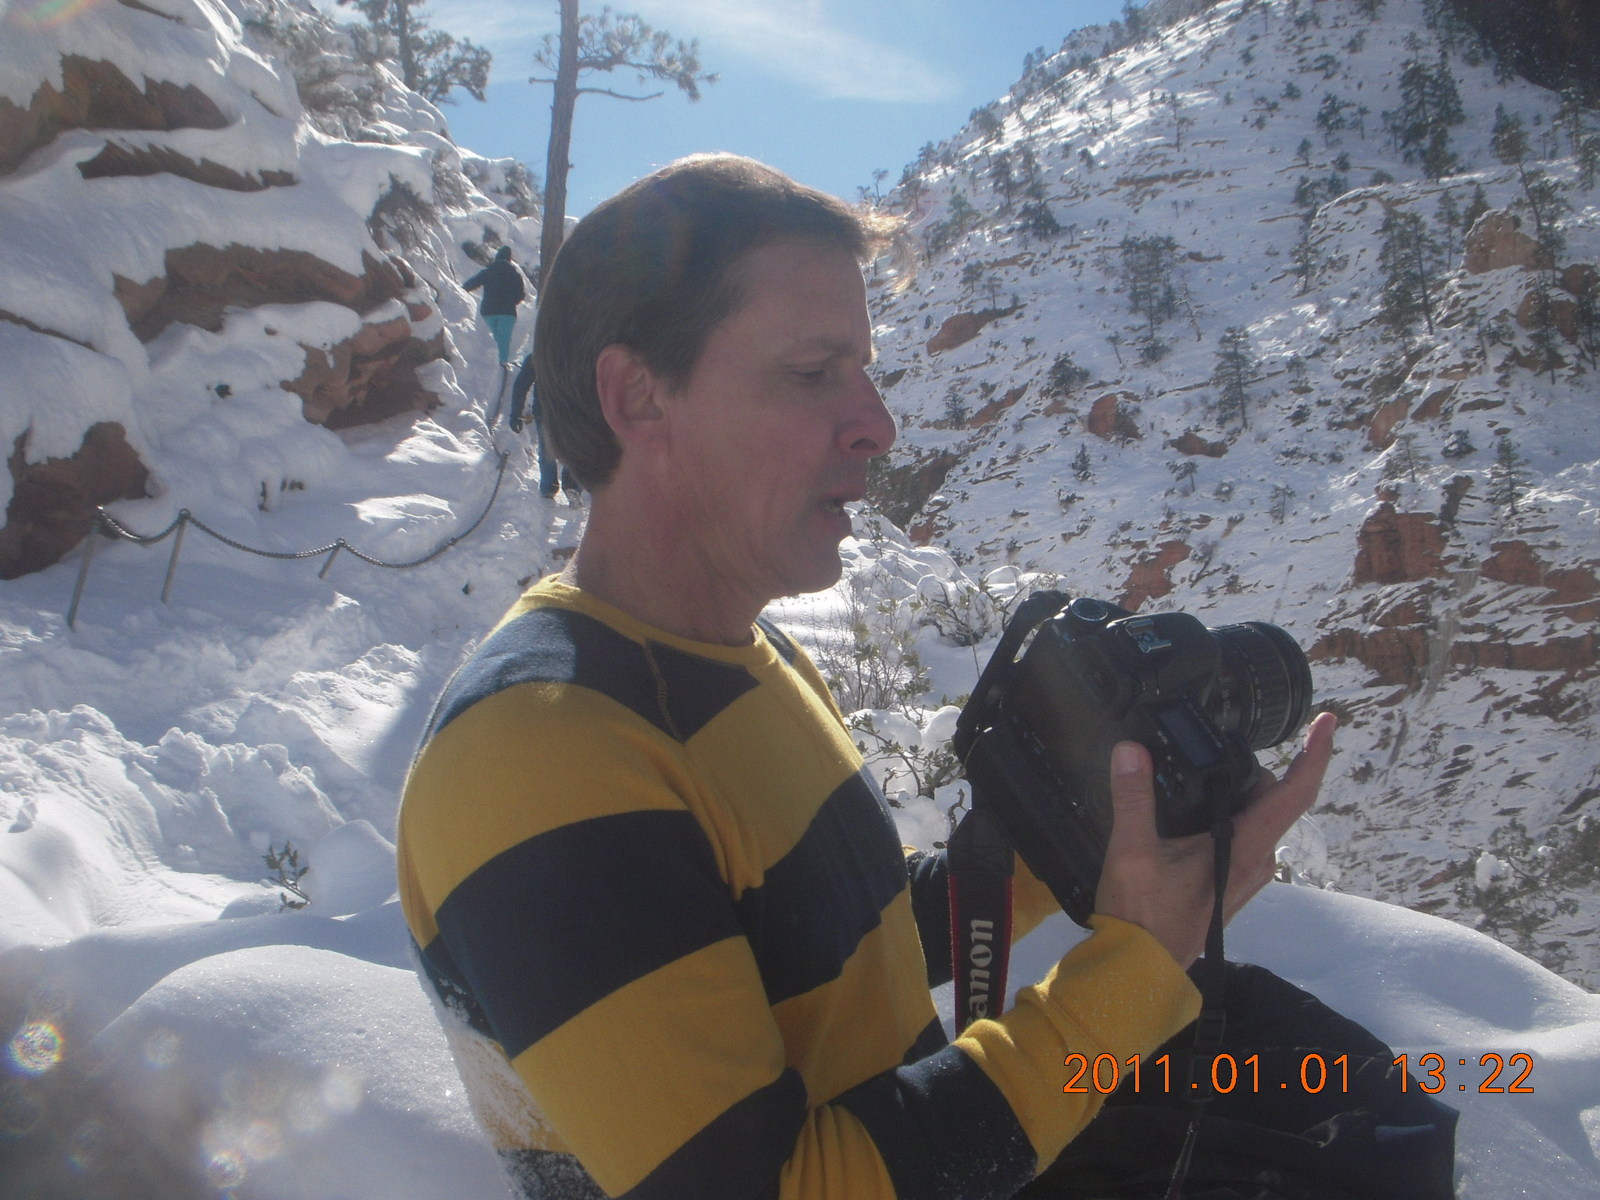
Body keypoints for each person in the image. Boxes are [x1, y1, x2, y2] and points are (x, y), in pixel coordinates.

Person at [396, 154, 1337, 1200]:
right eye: (813, 373)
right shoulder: (539, 752)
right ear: (638, 396)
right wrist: (1139, 968)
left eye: (865, 370)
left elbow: (839, 946)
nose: (878, 424)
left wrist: (1062, 838)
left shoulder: (741, 655)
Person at [509, 353, 579, 498]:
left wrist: (515, 414)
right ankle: (569, 487)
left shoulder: (539, 354)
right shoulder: (574, 353)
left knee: (549, 450)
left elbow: (521, 385)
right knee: (571, 450)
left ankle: (551, 487)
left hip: (551, 411)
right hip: (566, 412)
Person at [463, 244, 527, 365]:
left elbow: (473, 283)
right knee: (503, 341)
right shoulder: (515, 275)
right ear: (509, 259)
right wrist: (511, 301)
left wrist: (461, 289)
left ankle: (488, 364)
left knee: (493, 340)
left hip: (488, 311)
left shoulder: (489, 271)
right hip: (507, 312)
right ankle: (502, 365)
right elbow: (520, 295)